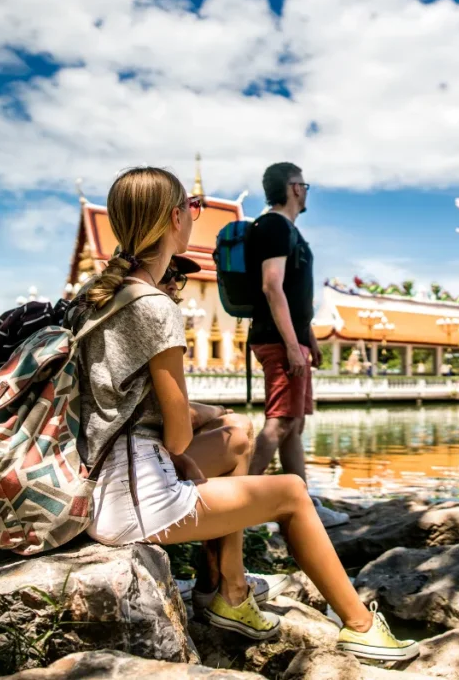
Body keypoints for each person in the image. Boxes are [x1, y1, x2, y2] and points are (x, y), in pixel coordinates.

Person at [76, 167, 417, 659]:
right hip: (133, 502)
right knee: (293, 492)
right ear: (175, 219)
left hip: (107, 479)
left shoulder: (96, 298)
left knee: (238, 432)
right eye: (193, 208)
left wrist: (201, 422)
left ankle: (227, 589)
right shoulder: (154, 307)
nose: (195, 217)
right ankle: (361, 626)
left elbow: (121, 403)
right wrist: (187, 448)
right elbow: (174, 437)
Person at [160, 255, 290, 616]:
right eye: (168, 275)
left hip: (123, 461)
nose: (175, 285)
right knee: (240, 432)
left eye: (179, 278)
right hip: (127, 477)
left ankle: (218, 579)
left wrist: (210, 416)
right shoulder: (149, 315)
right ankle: (227, 583)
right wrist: (215, 414)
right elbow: (169, 422)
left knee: (233, 428)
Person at [247, 162, 349, 528]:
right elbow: (272, 286)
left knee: (293, 423)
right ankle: (239, 505)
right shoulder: (274, 225)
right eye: (303, 184)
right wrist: (292, 345)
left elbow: (294, 294)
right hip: (278, 340)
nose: (305, 191)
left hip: (292, 339)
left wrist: (308, 339)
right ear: (294, 188)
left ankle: (302, 503)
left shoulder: (289, 231)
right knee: (279, 422)